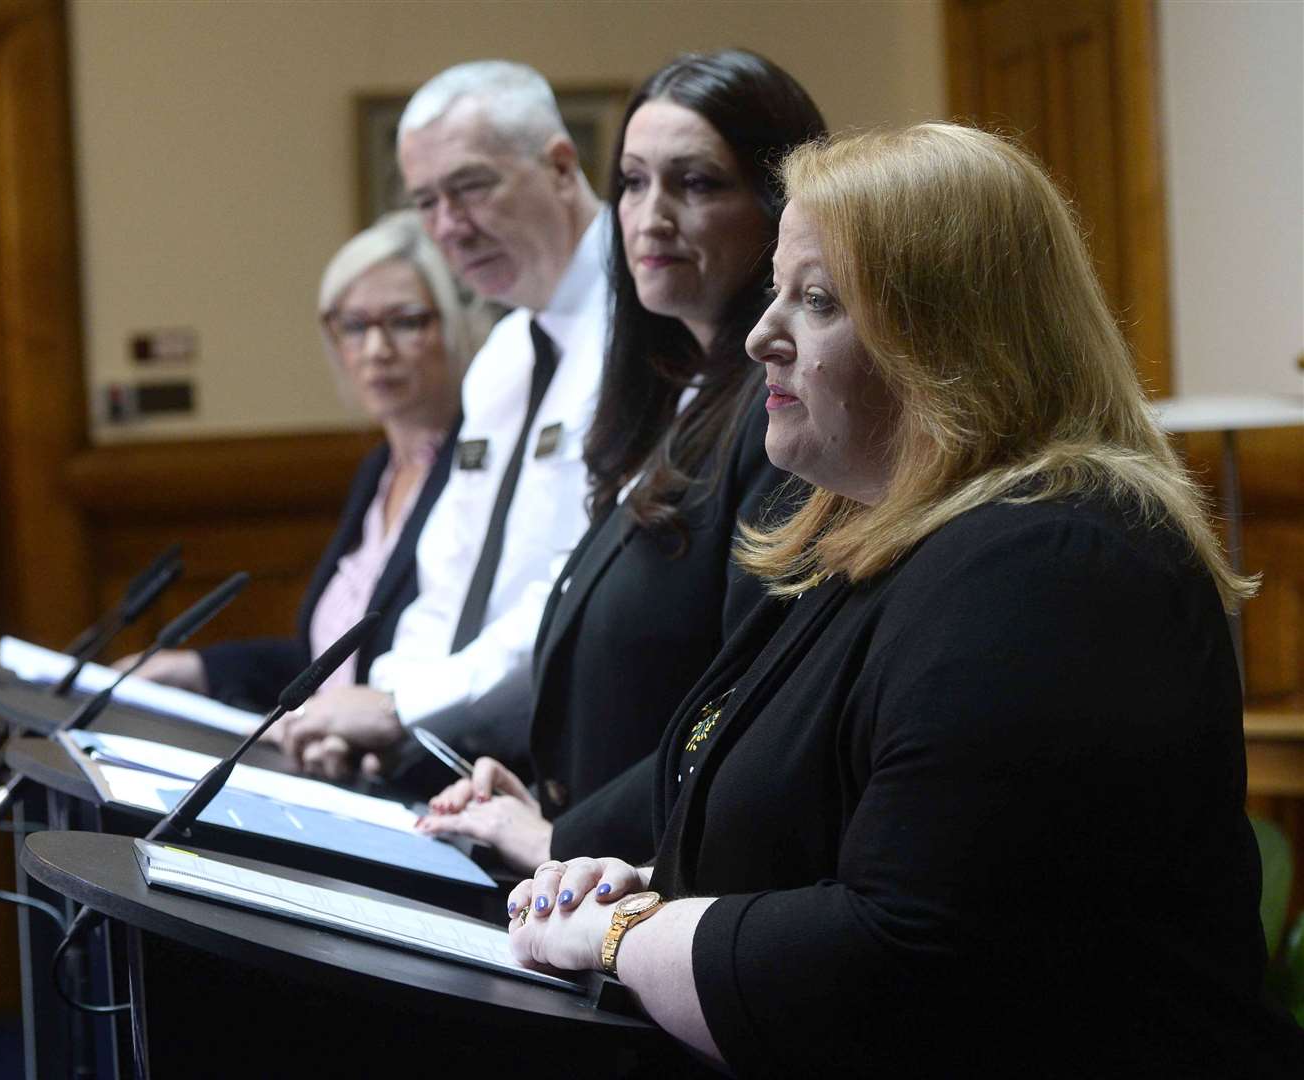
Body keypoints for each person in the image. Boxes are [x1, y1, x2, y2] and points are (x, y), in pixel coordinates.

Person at [498, 124, 1302, 1075]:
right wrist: (657, 883)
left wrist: (623, 936)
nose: (762, 336)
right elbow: (814, 843)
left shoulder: (1054, 568)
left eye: (817, 301)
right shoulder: (875, 537)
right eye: (775, 293)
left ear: (951, 340)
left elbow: (892, 965)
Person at [415, 50, 825, 873]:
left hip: (676, 891)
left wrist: (562, 838)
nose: (649, 217)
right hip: (602, 867)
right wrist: (541, 797)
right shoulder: (673, 400)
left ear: (781, 210)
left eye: (696, 184)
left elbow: (749, 709)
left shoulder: (784, 419)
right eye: (633, 182)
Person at [278, 61, 608, 781]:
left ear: (558, 166)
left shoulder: (643, 335)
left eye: (470, 187)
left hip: (587, 762)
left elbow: (582, 586)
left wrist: (400, 708)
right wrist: (377, 709)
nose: (448, 228)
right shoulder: (503, 356)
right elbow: (448, 581)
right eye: (426, 201)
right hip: (455, 756)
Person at [127, 211, 475, 706]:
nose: (376, 349)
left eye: (404, 322)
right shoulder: (379, 471)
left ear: (455, 325)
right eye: (354, 326)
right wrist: (197, 668)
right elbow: (331, 663)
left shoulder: (476, 472)